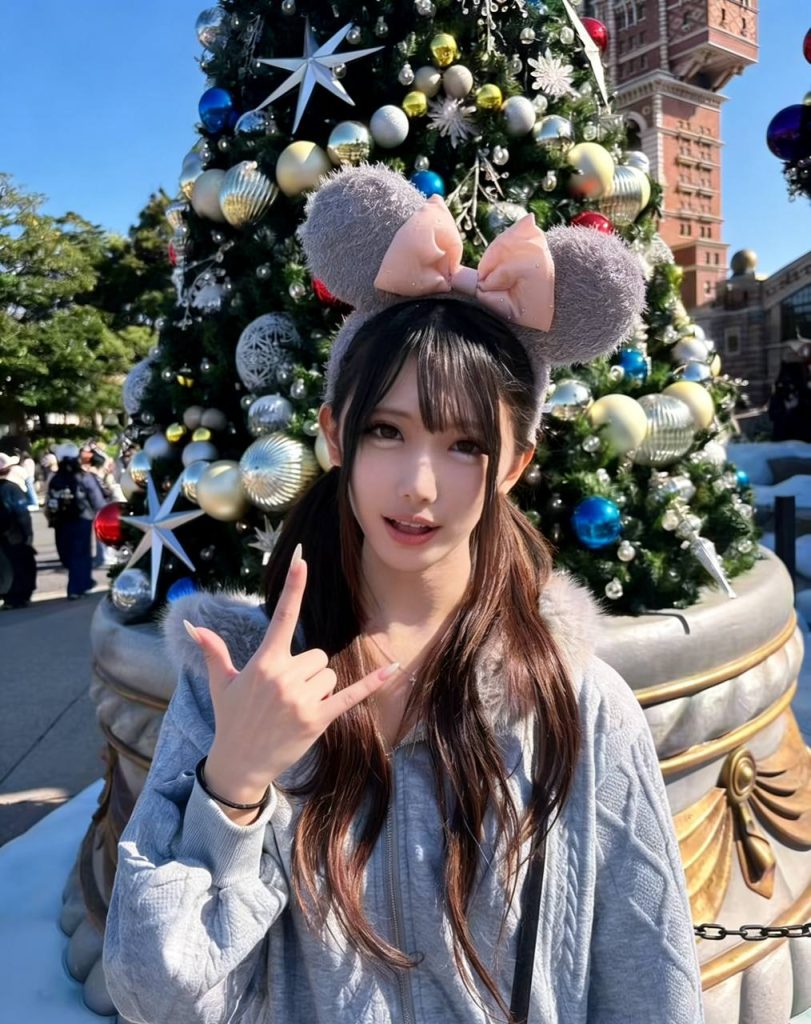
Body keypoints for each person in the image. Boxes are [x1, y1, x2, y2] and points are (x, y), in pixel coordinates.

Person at [103, 166, 704, 1023]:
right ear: (334, 434)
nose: (419, 485)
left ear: (516, 464)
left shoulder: (573, 703)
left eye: (465, 445)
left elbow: (648, 981)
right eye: (387, 431)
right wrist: (232, 786)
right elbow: (148, 994)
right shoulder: (236, 685)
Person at [46, 443, 106, 599]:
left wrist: (51, 518)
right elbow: (97, 500)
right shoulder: (84, 477)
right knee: (80, 553)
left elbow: (49, 502)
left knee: (68, 553)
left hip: (61, 522)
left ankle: (79, 585)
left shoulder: (55, 478)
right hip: (82, 520)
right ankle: (80, 585)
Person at [0, 453, 36, 608]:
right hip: (13, 534)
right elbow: (21, 513)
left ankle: (9, 596)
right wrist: (28, 533)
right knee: (20, 565)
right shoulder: (11, 488)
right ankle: (18, 597)